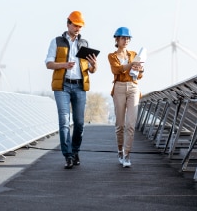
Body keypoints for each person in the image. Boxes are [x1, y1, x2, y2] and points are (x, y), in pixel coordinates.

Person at [45, 11, 98, 169]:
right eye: (75, 25)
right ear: (68, 24)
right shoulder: (57, 42)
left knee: (80, 123)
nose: (78, 28)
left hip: (80, 86)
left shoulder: (85, 44)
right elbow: (48, 63)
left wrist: (94, 65)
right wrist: (64, 65)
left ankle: (75, 151)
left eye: (80, 26)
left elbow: (91, 69)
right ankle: (67, 155)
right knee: (64, 122)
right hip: (62, 86)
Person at [107, 26, 143, 168]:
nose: (126, 40)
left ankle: (127, 154)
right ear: (117, 39)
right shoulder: (112, 56)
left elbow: (139, 75)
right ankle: (120, 151)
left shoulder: (134, 54)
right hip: (119, 88)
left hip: (133, 87)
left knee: (131, 124)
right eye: (123, 38)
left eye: (128, 38)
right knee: (120, 125)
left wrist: (140, 69)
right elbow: (116, 69)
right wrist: (130, 65)